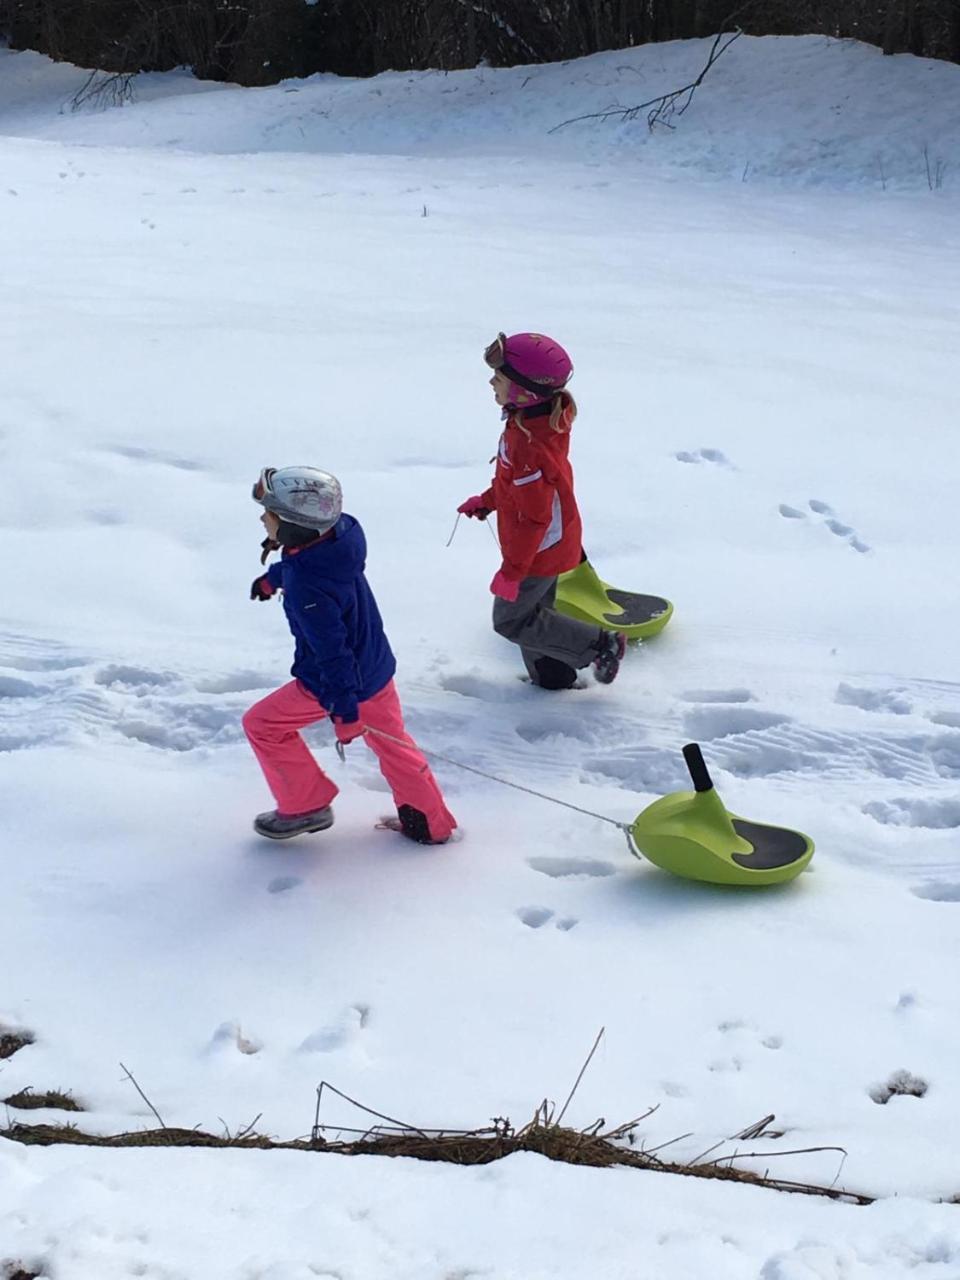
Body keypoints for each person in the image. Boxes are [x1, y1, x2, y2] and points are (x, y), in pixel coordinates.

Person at [243, 466, 457, 844]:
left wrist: (344, 711)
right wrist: (273, 579)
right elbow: (304, 564)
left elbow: (332, 652)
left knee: (262, 725)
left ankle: (305, 805)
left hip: (338, 683)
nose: (263, 519)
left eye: (270, 515)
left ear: (294, 526)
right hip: (375, 668)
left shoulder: (308, 587)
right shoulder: (340, 540)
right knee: (396, 749)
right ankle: (430, 823)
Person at [457, 332, 625, 690]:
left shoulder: (529, 444)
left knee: (511, 620)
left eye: (499, 378)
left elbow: (537, 517)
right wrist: (488, 501)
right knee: (537, 614)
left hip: (539, 549)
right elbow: (513, 483)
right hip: (540, 543)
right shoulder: (529, 422)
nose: (491, 382)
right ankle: (552, 678)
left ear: (524, 392)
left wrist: (514, 571)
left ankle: (599, 643)